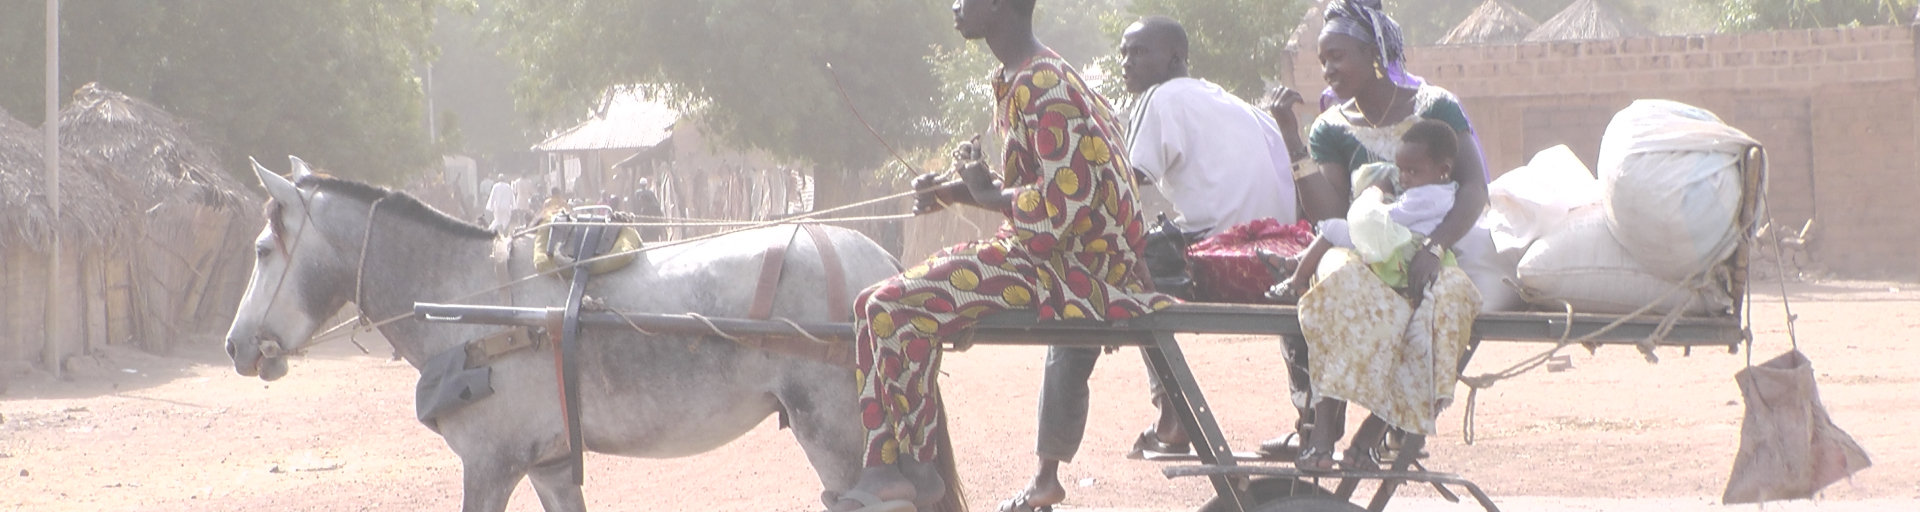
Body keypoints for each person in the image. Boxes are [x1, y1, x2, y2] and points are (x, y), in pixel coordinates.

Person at [822, 0, 1176, 510]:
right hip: (1050, 256)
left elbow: (1059, 207)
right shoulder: (1021, 77)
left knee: (887, 308)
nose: (956, 6)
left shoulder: (1042, 83)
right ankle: (901, 471)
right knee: (869, 305)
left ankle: (904, 471)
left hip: (1068, 269)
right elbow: (1038, 186)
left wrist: (984, 198)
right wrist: (956, 191)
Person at [998, 15, 1299, 512]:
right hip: (1272, 256)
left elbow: (1118, 185)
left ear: (1175, 59)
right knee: (1135, 276)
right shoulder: (1234, 102)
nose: (1126, 64)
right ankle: (1170, 416)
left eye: (1139, 53)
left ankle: (1046, 474)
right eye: (1123, 53)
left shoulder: (1160, 100)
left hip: (1215, 254)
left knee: (1080, 301)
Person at [1267, 0, 1489, 472]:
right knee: (1335, 280)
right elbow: (1329, 213)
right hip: (1364, 247)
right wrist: (1292, 140)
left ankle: (1375, 433)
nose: (1328, 69)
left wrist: (1435, 247)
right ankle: (1322, 429)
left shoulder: (1435, 107)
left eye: (1338, 57)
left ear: (1373, 53)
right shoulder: (1331, 126)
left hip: (1429, 246)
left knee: (1449, 299)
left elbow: (1474, 187)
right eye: (1323, 59)